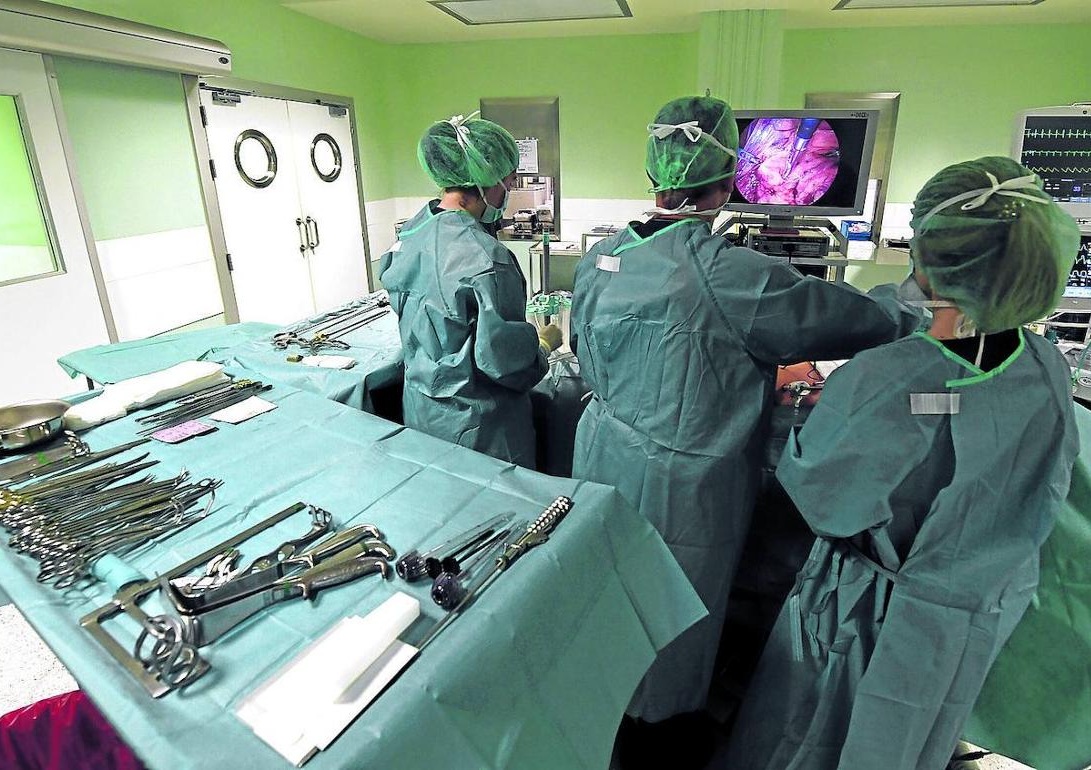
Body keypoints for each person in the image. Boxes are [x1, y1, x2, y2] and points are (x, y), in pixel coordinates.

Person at [568, 95, 922, 761]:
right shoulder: (725, 273)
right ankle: (657, 743)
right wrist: (916, 296)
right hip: (683, 483)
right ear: (730, 177)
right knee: (672, 617)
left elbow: (586, 356)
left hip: (602, 456)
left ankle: (600, 720)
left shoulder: (601, 256)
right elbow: (852, 319)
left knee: (609, 599)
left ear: (654, 172)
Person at [723, 156, 1083, 770]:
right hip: (977, 612)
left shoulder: (891, 381)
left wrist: (804, 403)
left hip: (868, 614)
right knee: (917, 737)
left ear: (929, 258)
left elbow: (823, 497)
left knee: (815, 738)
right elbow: (966, 417)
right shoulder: (1045, 366)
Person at [380, 111, 561, 468]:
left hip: (422, 411)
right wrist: (541, 347)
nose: (508, 191)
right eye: (509, 181)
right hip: (480, 429)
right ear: (486, 181)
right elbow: (504, 362)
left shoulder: (411, 234)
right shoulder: (486, 258)